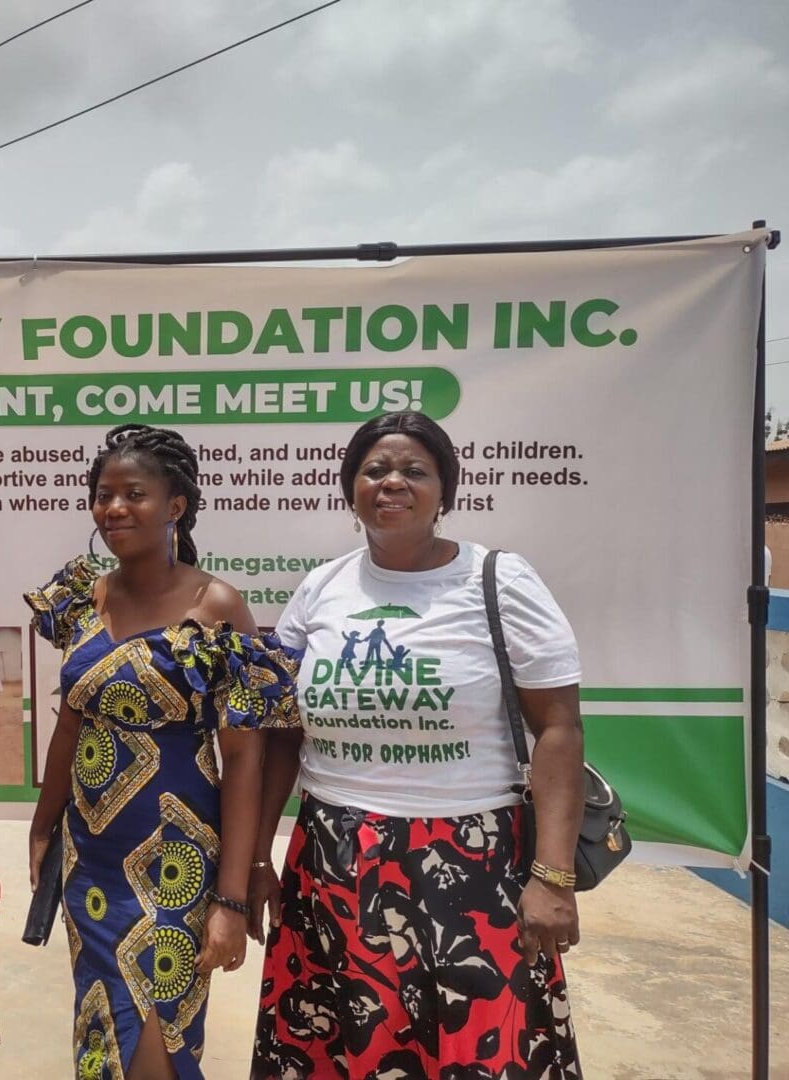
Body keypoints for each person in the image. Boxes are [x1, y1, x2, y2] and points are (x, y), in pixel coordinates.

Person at [249, 411, 585, 1080]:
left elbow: (559, 728)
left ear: (444, 491)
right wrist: (258, 855)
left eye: (414, 470)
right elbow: (283, 733)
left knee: (483, 1051)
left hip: (470, 861)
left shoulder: (500, 581)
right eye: (374, 470)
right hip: (334, 858)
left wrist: (553, 877)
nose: (392, 481)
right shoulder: (321, 589)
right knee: (346, 1047)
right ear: (351, 490)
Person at [25, 424, 300, 1080]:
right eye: (103, 494)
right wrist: (41, 826)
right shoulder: (83, 594)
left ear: (175, 505)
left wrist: (231, 900)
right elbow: (71, 723)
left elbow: (245, 763)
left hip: (175, 858)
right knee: (100, 1031)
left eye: (133, 494)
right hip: (88, 857)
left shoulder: (215, 605)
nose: (113, 507)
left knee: (157, 1042)